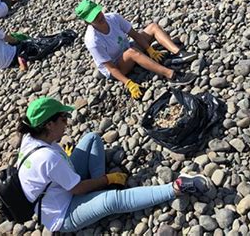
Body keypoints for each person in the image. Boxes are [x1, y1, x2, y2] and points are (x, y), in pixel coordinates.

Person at [17, 97, 211, 232]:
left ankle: (96, 194)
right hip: (63, 213)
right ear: (49, 125)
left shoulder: (30, 137)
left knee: (92, 138)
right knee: (111, 201)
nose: (67, 123)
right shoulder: (47, 158)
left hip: (60, 185)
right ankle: (176, 188)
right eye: (63, 119)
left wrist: (67, 160)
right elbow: (76, 189)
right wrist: (106, 179)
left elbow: (50, 170)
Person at [75, 0, 198, 100]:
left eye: (98, 13)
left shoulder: (113, 18)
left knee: (153, 27)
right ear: (87, 22)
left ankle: (179, 53)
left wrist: (149, 49)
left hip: (127, 48)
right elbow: (111, 68)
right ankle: (172, 76)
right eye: (93, 17)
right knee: (132, 52)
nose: (98, 17)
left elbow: (134, 34)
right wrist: (129, 83)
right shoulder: (93, 41)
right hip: (117, 67)